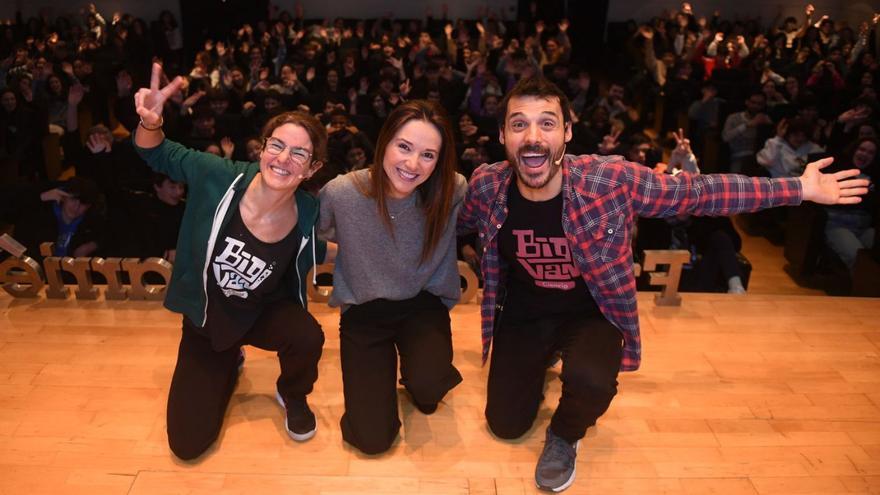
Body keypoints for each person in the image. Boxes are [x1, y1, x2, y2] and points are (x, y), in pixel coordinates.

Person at [457, 76, 869, 492]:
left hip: (592, 311)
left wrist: (798, 188)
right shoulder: (488, 187)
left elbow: (700, 193)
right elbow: (446, 224)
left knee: (594, 382)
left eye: (546, 124)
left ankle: (565, 435)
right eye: (518, 124)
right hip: (526, 312)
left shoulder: (608, 180)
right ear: (502, 135)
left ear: (566, 131)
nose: (532, 137)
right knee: (505, 425)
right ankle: (543, 358)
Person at [132, 63, 332, 461]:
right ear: (262, 147)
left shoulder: (308, 212)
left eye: (299, 154)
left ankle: (292, 394)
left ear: (312, 169)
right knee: (187, 445)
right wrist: (151, 122)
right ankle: (228, 360)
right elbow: (154, 151)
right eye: (276, 145)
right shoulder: (217, 175)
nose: (283, 159)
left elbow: (318, 252)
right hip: (208, 320)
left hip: (261, 312)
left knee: (308, 335)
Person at [317, 100, 467, 455]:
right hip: (365, 311)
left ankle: (419, 376)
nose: (413, 164)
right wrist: (350, 253)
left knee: (429, 390)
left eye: (428, 155)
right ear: (384, 142)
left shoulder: (452, 189)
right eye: (404, 147)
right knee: (372, 440)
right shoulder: (342, 192)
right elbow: (310, 242)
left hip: (423, 304)